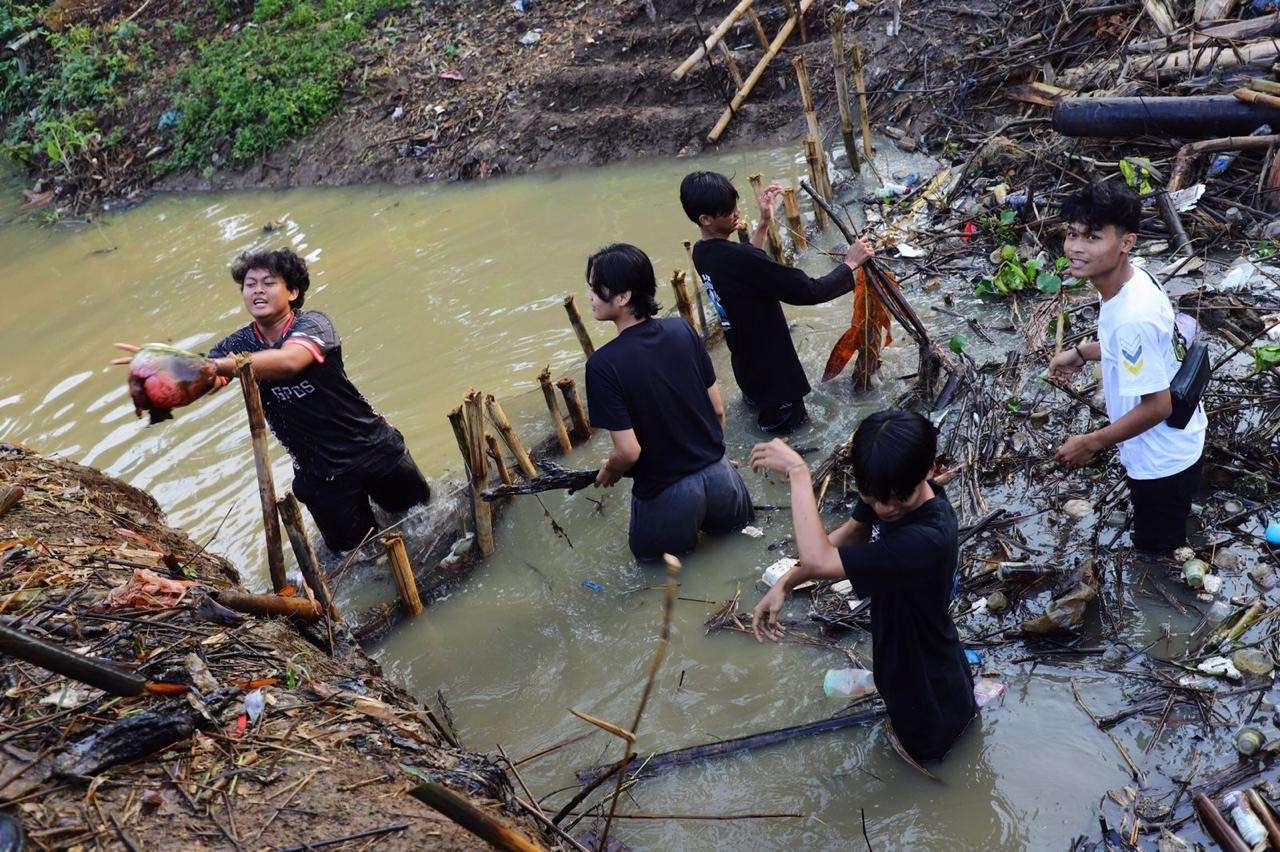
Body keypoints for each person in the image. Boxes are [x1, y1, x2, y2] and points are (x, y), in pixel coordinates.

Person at [116, 248, 431, 554]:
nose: (257, 291)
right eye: (250, 284)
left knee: (425, 521)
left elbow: (290, 360)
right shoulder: (237, 343)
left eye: (269, 282)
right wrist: (159, 367)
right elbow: (204, 378)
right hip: (320, 472)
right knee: (358, 557)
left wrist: (221, 365)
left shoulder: (314, 324)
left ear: (293, 291)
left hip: (373, 448)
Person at [749, 409, 976, 763]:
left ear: (928, 471)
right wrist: (787, 581)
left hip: (928, 692)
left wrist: (798, 472)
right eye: (873, 499)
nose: (885, 509)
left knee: (928, 765)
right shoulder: (889, 483)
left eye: (898, 499)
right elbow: (852, 534)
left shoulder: (927, 540)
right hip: (913, 664)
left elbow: (821, 559)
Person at [1048, 182, 1206, 556]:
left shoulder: (1130, 316)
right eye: (1073, 234)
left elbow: (1158, 406)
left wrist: (1091, 443)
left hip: (1163, 462)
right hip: (1178, 441)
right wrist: (1083, 353)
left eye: (1093, 237)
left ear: (1127, 242)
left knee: (1155, 557)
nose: (1076, 247)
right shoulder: (1133, 282)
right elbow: (1144, 351)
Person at [584, 243, 754, 561]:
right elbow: (717, 411)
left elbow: (629, 451)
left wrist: (610, 469)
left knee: (656, 577)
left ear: (622, 298)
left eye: (596, 289)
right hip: (721, 478)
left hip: (668, 497)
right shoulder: (682, 330)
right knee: (740, 550)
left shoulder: (602, 365)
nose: (589, 296)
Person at [681, 171, 874, 433]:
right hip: (776, 379)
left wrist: (763, 223)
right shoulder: (741, 260)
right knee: (794, 438)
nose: (736, 212)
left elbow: (748, 265)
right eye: (727, 211)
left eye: (735, 205)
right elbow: (810, 291)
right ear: (705, 219)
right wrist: (850, 264)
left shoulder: (703, 253)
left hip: (748, 372)